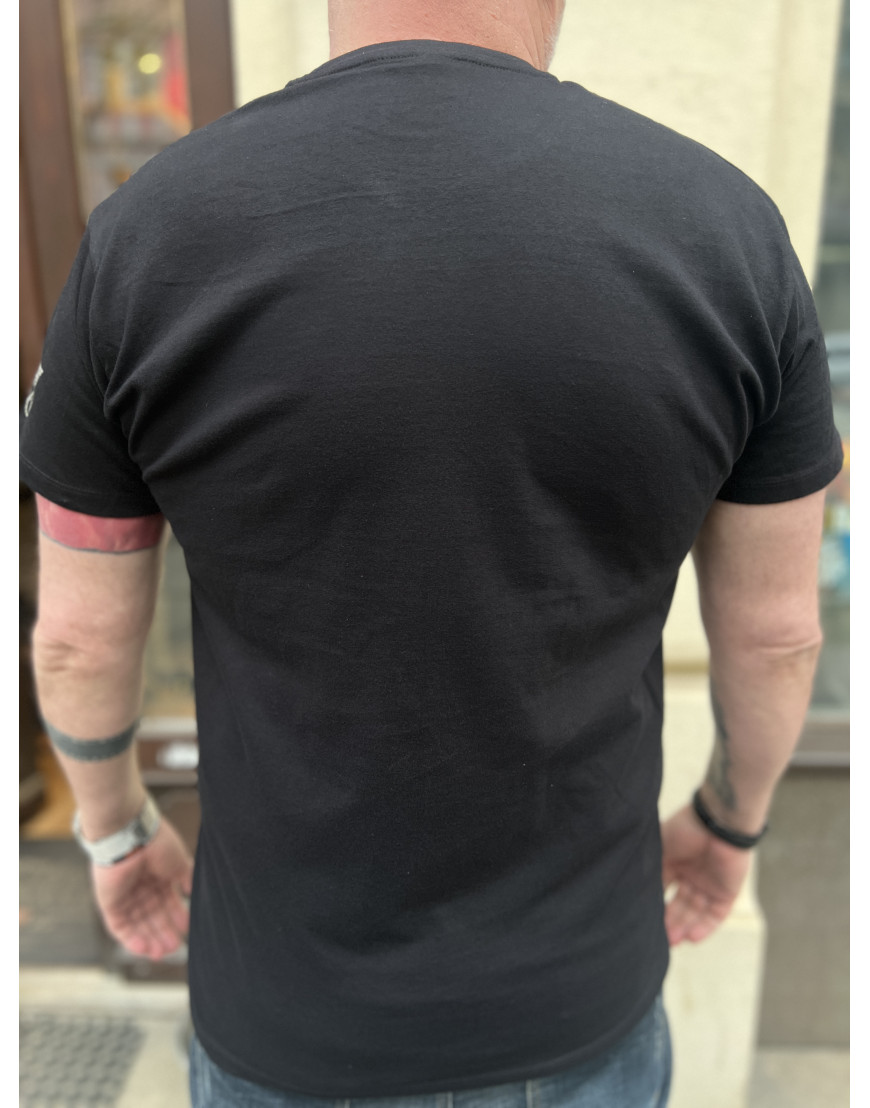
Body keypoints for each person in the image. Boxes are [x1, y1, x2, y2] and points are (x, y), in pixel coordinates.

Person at [20, 1, 842, 1105]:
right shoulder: (726, 232)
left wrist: (116, 831)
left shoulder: (148, 235)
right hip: (577, 1006)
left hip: (287, 1016)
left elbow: (74, 640)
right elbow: (781, 637)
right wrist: (728, 822)